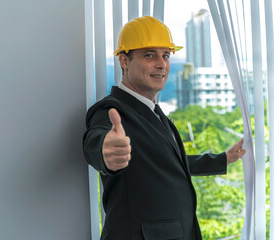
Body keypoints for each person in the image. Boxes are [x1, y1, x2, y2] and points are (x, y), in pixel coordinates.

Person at [83, 16, 246, 240]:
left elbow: (168, 163)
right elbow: (96, 140)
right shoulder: (111, 111)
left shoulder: (154, 112)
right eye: (149, 55)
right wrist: (105, 152)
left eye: (166, 55)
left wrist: (222, 159)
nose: (161, 64)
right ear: (124, 61)